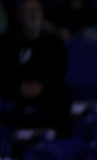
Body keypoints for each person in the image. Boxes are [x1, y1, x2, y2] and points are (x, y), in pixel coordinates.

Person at [0, 0, 71, 134]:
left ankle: (60, 140)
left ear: (42, 14)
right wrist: (18, 86)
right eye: (27, 11)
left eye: (35, 10)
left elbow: (59, 70)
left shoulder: (54, 43)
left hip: (45, 91)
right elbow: (3, 72)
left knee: (63, 92)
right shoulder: (6, 43)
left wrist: (42, 85)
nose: (32, 14)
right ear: (19, 16)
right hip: (15, 91)